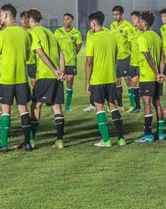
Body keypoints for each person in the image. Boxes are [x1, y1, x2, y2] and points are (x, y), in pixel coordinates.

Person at [0, 4, 32, 152]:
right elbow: (27, 56)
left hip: (6, 78)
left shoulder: (1, 35)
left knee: (6, 111)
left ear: (7, 15)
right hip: (21, 77)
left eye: (1, 15)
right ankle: (27, 142)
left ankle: (4, 144)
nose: (0, 18)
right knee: (23, 109)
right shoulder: (25, 34)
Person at [85, 11, 126, 147]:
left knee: (100, 108)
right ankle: (121, 139)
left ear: (94, 23)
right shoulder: (112, 37)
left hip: (97, 79)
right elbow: (115, 59)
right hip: (110, 78)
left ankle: (106, 140)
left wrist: (87, 82)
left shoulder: (92, 39)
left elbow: (89, 62)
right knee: (113, 107)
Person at [27, 9, 66, 149]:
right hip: (56, 76)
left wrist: (55, 70)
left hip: (44, 75)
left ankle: (31, 140)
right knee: (56, 107)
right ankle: (60, 140)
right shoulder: (50, 32)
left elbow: (41, 54)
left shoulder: (33, 33)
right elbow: (61, 53)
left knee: (36, 106)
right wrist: (61, 71)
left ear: (31, 19)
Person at [133, 11, 166, 143]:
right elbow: (162, 57)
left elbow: (148, 57)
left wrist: (156, 73)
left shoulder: (142, 37)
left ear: (144, 23)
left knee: (147, 103)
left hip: (147, 76)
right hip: (157, 77)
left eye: (139, 22)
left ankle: (148, 134)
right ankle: (161, 133)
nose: (137, 24)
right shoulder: (157, 37)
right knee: (157, 103)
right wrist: (161, 73)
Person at [54, 13, 82, 112]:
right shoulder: (58, 32)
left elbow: (78, 48)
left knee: (69, 80)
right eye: (64, 19)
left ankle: (68, 105)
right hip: (59, 62)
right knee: (59, 81)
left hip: (71, 61)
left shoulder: (76, 33)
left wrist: (72, 55)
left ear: (72, 20)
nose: (66, 21)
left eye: (68, 19)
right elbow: (54, 46)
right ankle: (57, 104)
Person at [127, 10, 143, 113]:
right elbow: (129, 45)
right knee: (134, 83)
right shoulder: (130, 31)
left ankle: (142, 105)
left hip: (141, 62)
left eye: (134, 18)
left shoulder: (143, 31)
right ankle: (137, 106)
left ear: (139, 19)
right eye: (132, 18)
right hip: (133, 62)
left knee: (138, 83)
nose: (132, 20)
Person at [19, 11, 37, 87]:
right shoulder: (18, 31)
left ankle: (35, 97)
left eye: (25, 18)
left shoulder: (34, 31)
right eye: (22, 19)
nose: (24, 20)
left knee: (34, 82)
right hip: (20, 61)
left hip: (31, 61)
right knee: (21, 83)